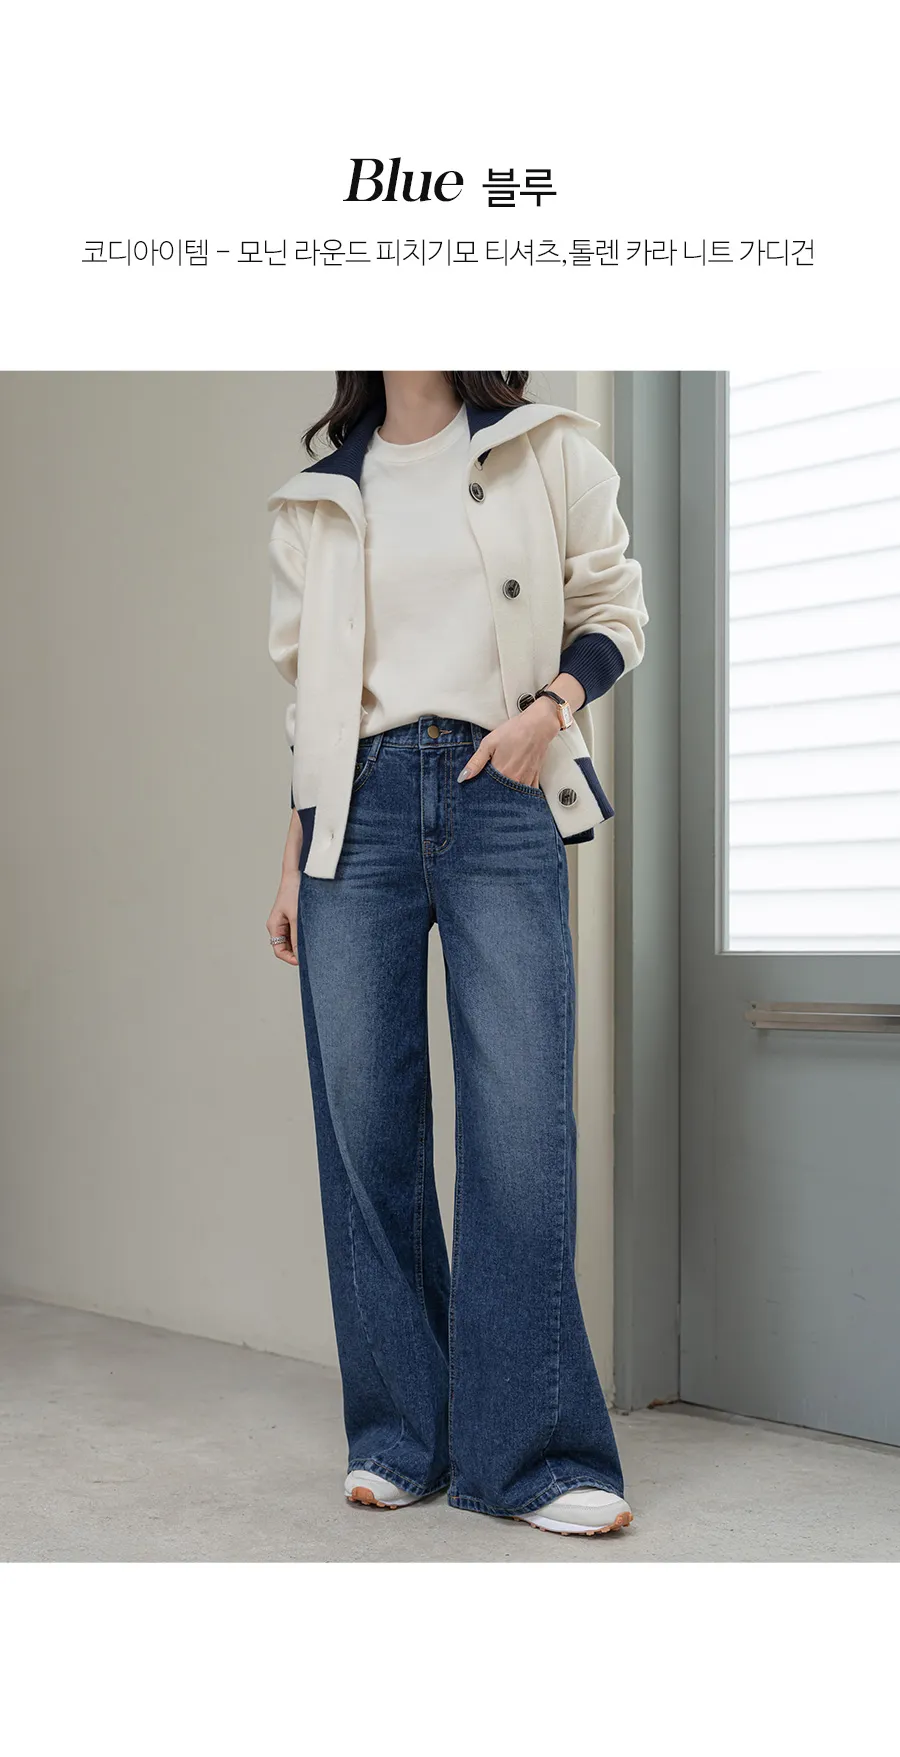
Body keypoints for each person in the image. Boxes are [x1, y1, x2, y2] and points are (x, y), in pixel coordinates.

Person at [265, 371, 648, 1536]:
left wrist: (548, 710)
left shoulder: (548, 451)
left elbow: (615, 608)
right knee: (365, 1127)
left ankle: (532, 1454)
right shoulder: (318, 499)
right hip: (356, 813)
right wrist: (291, 857)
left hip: (503, 787)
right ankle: (400, 1432)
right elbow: (310, 705)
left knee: (520, 1126)